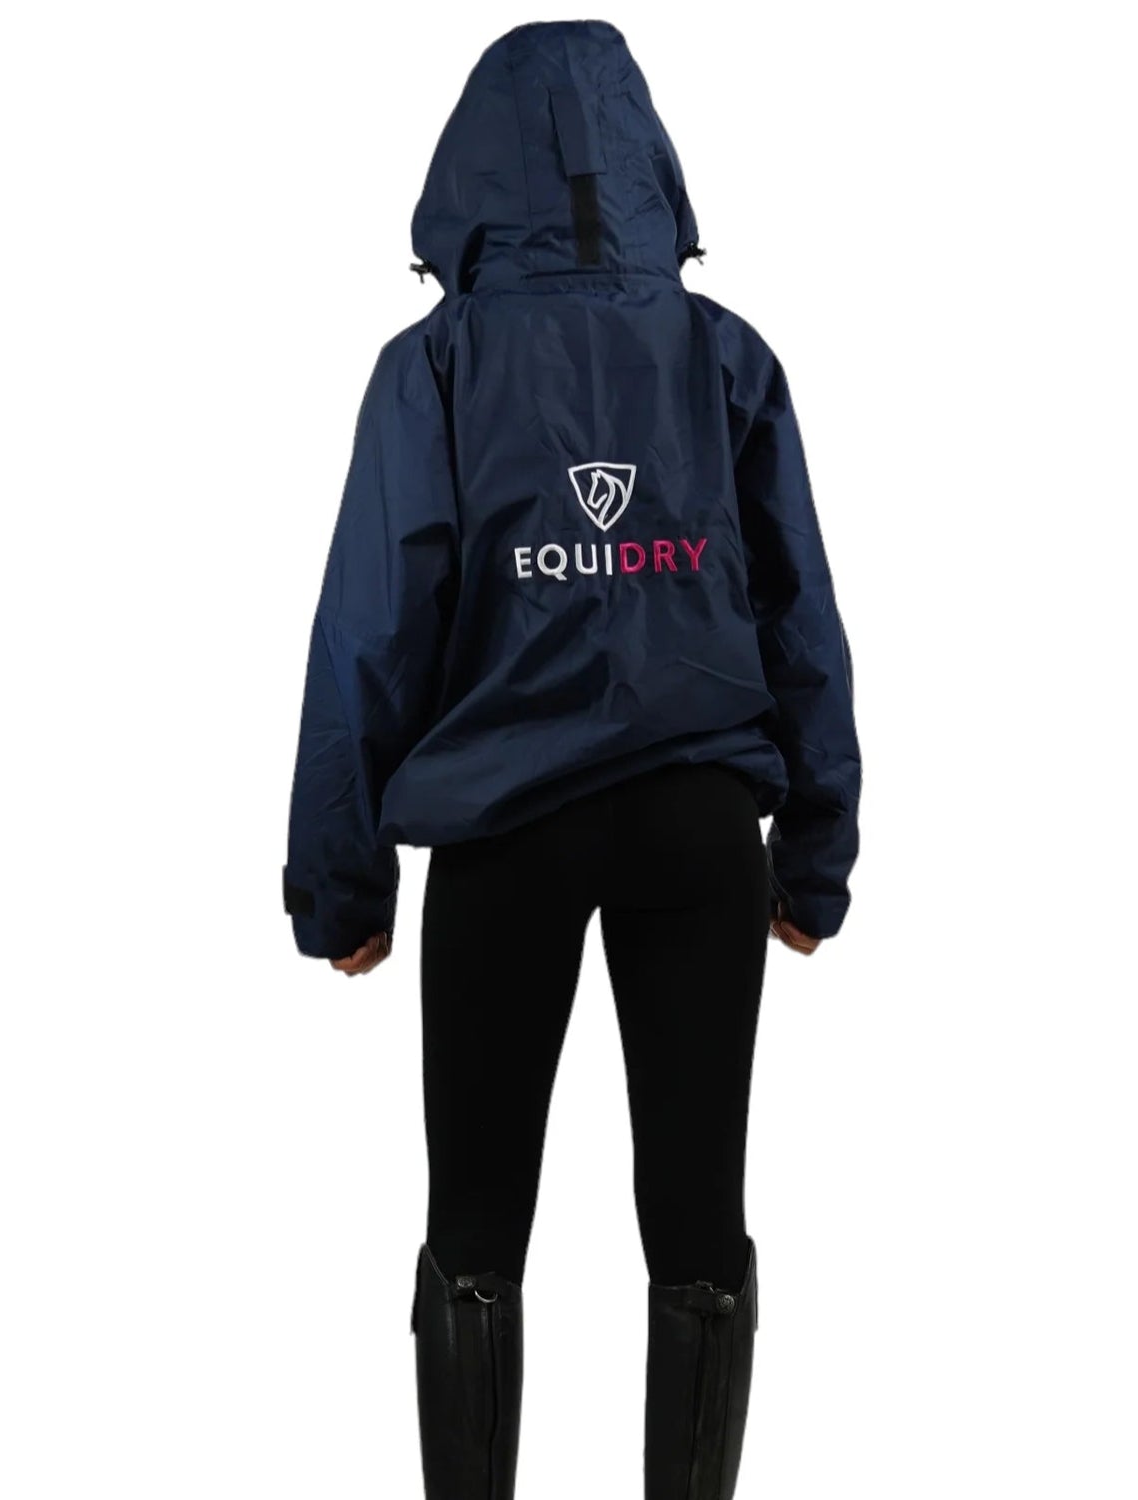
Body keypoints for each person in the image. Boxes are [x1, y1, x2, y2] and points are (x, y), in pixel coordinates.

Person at [282, 20, 861, 1499]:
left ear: (468, 175)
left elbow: (371, 629)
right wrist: (816, 854)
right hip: (697, 832)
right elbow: (800, 611)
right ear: (649, 165)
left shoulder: (435, 368)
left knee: (476, 1229)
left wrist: (341, 885)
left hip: (504, 836)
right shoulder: (724, 356)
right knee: (699, 1223)